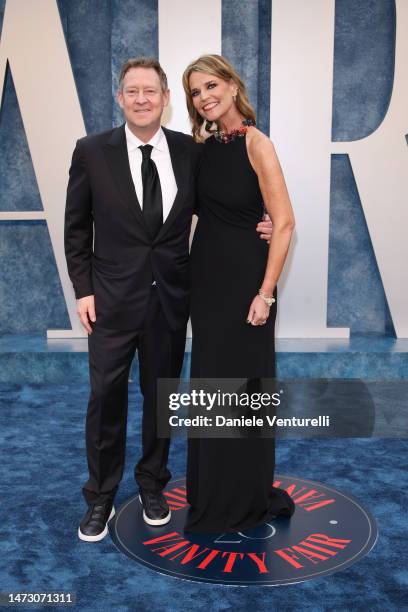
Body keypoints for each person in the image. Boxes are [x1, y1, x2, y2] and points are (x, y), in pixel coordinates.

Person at [64, 57, 272, 542]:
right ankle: (100, 497)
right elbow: (76, 228)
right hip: (111, 303)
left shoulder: (190, 152)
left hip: (170, 302)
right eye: (132, 91)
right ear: (120, 98)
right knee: (105, 400)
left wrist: (262, 220)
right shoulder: (91, 151)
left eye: (150, 92)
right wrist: (84, 290)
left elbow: (226, 199)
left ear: (165, 99)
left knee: (160, 400)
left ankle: (152, 484)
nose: (141, 99)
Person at [182, 54, 296, 533]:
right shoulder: (200, 149)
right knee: (210, 386)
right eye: (194, 92)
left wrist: (266, 293)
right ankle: (211, 492)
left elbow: (284, 221)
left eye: (211, 86)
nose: (204, 97)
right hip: (206, 284)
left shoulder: (257, 143)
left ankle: (242, 495)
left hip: (247, 286)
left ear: (232, 86)